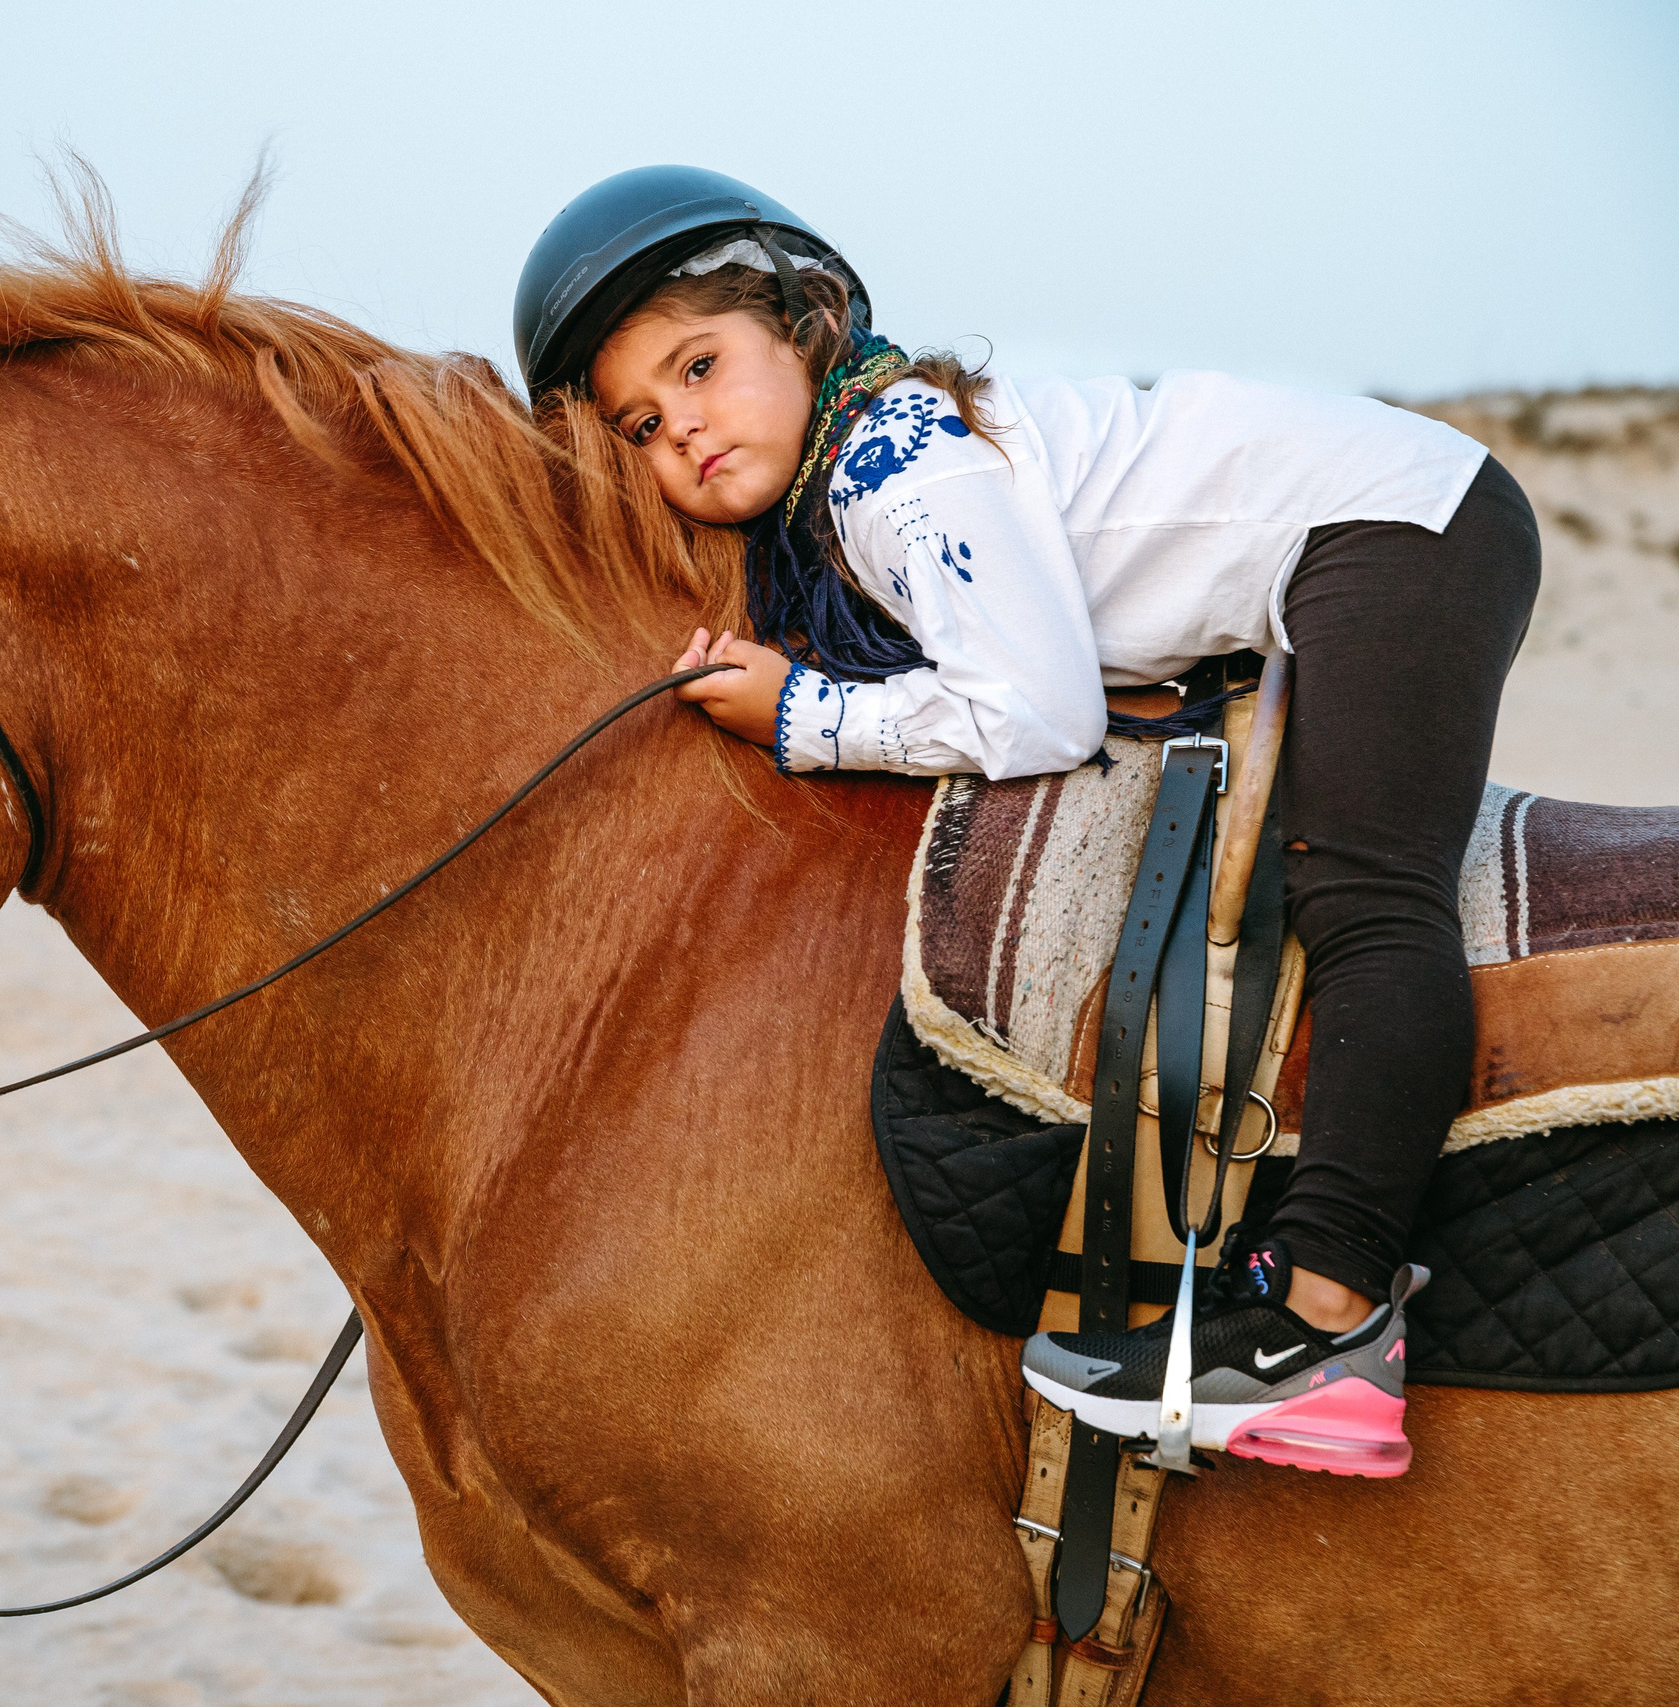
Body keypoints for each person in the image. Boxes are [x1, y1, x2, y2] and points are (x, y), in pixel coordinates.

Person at [514, 166, 1538, 1476]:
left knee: (1364, 894)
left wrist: (806, 716)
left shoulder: (891, 472)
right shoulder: (863, 464)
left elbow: (1039, 715)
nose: (684, 434)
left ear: (805, 319)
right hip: (1365, 529)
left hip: (1396, 525)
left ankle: (1328, 1337)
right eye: (643, 426)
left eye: (701, 367)